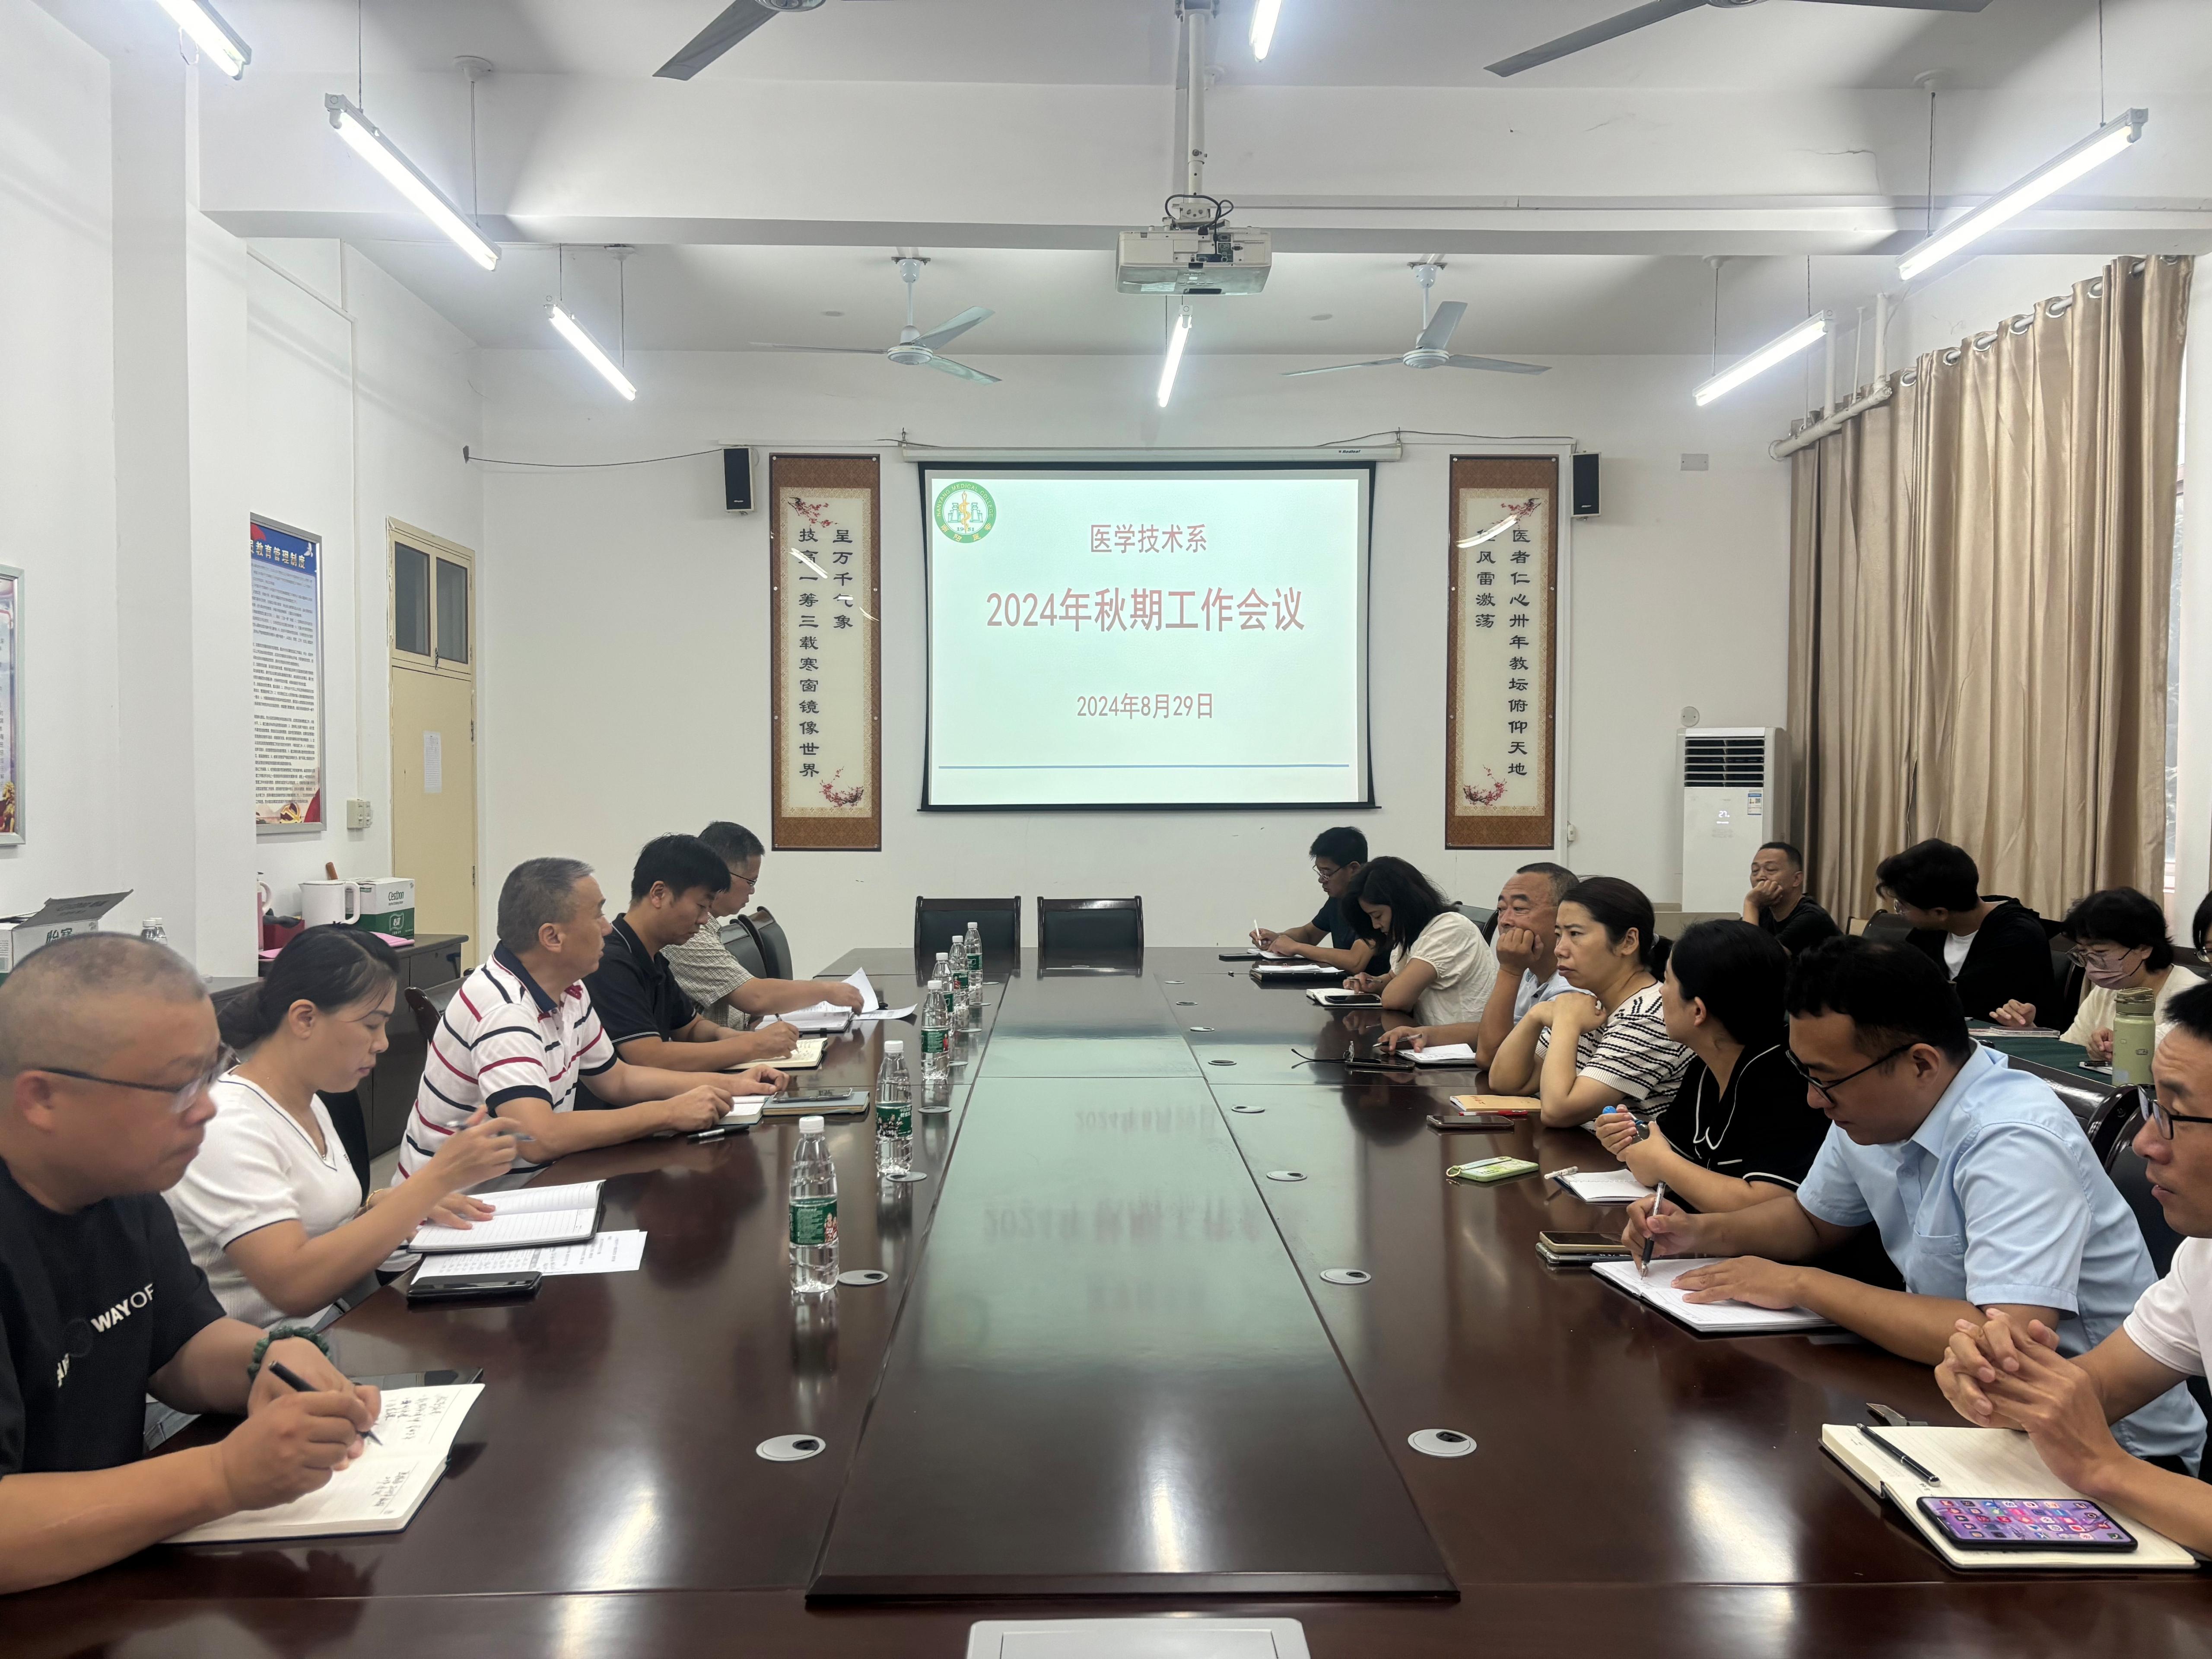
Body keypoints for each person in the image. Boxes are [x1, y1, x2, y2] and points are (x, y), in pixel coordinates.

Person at [1624, 937, 2206, 1470]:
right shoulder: (1874, 1110)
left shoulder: (2012, 1137)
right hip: (1984, 1414)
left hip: (2114, 1445)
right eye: (1805, 1073)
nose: (1812, 1100)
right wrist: (1697, 1233)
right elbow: (1811, 1221)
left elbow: (2004, 1339)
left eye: (1826, 1079)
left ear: (1921, 1063)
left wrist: (1803, 1285)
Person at [0, 934, 386, 1595]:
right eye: (178, 1087)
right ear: (42, 1099)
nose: (207, 1107)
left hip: (112, 1570)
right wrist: (222, 1476)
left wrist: (267, 1360)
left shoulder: (122, 1183)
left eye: (212, 1073)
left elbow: (178, 1344)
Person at [1937, 981, 2212, 1532]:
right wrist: (2001, 1384)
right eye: (2152, 1107)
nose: (2144, 1143)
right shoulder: (2201, 1256)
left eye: (2175, 1116)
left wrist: (2104, 1468)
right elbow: (2096, 1390)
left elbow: (2092, 1449)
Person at [165, 928, 525, 1328]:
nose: (382, 1043)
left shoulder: (309, 1099)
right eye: (371, 1025)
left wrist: (383, 1206)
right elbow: (295, 1287)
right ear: (305, 1018)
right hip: (262, 1350)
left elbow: (313, 1223)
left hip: (334, 1322)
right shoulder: (227, 1125)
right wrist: (435, 1180)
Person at [394, 858, 780, 1180]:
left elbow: (618, 1079)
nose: (607, 927)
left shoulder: (570, 989)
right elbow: (538, 1137)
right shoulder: (504, 1009)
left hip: (535, 1186)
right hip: (459, 1214)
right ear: (552, 937)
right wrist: (668, 1112)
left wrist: (732, 1085)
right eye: (597, 915)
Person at [1592, 919, 1824, 1209]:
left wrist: (1663, 1164)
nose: (1661, 992)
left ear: (1698, 1011)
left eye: (1668, 981)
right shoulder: (1705, 1067)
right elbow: (1665, 1158)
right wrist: (1634, 1137)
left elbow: (1771, 1206)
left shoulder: (1786, 1080)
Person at [585, 833, 808, 1079]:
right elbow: (649, 1057)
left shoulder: (653, 957)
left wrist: (736, 1038)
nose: (704, 920)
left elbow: (691, 1029)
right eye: (701, 907)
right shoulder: (611, 962)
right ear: (659, 894)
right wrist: (752, 1046)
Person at [1481, 877, 1691, 1127]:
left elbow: (1558, 1112)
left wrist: (1566, 1023)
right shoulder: (1592, 1004)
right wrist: (1536, 1015)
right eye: (1558, 935)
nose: (1560, 949)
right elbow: (1505, 1082)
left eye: (1575, 934)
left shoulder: (1648, 1016)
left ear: (1628, 942)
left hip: (1622, 1152)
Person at [663, 821, 869, 1032]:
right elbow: (755, 998)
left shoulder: (706, 929)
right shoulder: (684, 936)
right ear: (721, 874)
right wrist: (825, 991)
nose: (752, 891)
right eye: (751, 882)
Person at [1379, 861, 1574, 1067]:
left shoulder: (1570, 989)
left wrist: (1510, 970)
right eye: (1501, 909)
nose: (1505, 921)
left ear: (1565, 915)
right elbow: (1508, 1031)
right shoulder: (1531, 975)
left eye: (1519, 909)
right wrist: (1425, 1034)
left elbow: (1493, 1058)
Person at [1873, 838, 2056, 1027]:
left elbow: (1951, 1002)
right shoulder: (1933, 929)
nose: (1901, 913)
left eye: (1902, 906)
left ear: (1939, 913)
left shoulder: (2017, 937)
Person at [1339, 857, 1496, 1029]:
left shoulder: (1449, 929)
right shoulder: (1412, 934)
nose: (1376, 925)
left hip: (1463, 1043)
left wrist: (1386, 988)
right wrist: (1374, 983)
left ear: (1402, 905)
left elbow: (1395, 999)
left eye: (1378, 916)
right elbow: (1394, 977)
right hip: (1430, 1038)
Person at [2056, 887, 2194, 1063]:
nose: (2091, 965)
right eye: (2084, 953)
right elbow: (2069, 1049)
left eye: (2100, 952)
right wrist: (2031, 1029)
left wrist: (2126, 1047)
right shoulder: (2107, 991)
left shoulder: (2190, 997)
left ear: (2144, 949)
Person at [1248, 826, 1376, 974]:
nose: (1321, 880)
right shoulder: (1338, 900)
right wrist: (1277, 938)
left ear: (1353, 869)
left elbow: (1355, 961)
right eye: (1320, 872)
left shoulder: (1374, 903)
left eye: (1327, 873)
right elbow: (1309, 934)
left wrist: (1296, 947)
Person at [1740, 842, 1840, 957]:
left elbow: (1761, 959)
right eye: (1755, 871)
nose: (1760, 877)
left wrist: (1751, 903)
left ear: (1797, 879)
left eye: (1771, 869)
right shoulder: (1765, 911)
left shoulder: (1811, 917)